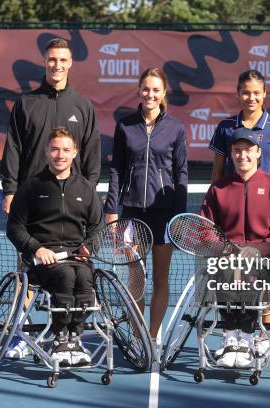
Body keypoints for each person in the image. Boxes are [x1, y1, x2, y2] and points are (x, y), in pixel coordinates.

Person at [6, 127, 104, 367]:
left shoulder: (86, 188)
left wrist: (89, 248)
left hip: (76, 258)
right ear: (46, 152)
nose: (60, 155)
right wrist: (36, 248)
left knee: (83, 276)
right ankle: (60, 338)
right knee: (66, 275)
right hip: (43, 261)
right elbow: (15, 228)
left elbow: (98, 228)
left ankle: (74, 336)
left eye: (66, 150)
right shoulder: (31, 187)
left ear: (75, 153)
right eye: (55, 149)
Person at [104, 67, 188, 342]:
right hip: (131, 214)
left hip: (164, 215)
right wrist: (111, 212)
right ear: (139, 91)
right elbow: (116, 170)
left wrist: (178, 217)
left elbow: (181, 173)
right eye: (145, 88)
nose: (150, 94)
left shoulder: (175, 128)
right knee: (136, 280)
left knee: (161, 278)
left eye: (155, 89)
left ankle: (152, 336)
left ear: (163, 93)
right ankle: (139, 337)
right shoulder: (125, 126)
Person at [200, 127, 270, 368]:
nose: (243, 155)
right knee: (229, 269)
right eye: (237, 151)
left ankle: (247, 337)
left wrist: (259, 250)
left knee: (248, 273)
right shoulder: (218, 189)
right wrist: (221, 248)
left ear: (258, 153)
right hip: (229, 258)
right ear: (231, 154)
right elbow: (205, 227)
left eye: (248, 150)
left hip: (265, 259)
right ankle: (231, 338)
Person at [1, 37, 101, 215]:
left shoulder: (83, 106)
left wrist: (89, 189)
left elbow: (91, 152)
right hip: (31, 195)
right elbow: (13, 148)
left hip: (72, 198)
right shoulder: (25, 104)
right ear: (45, 61)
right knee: (32, 244)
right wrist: (10, 191)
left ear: (70, 63)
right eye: (52, 59)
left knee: (71, 244)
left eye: (63, 60)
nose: (57, 65)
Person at [210, 69, 270, 183]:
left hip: (266, 198)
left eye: (256, 93)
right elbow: (217, 173)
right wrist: (212, 199)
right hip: (233, 196)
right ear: (238, 93)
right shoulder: (225, 126)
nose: (251, 98)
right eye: (246, 93)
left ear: (264, 93)